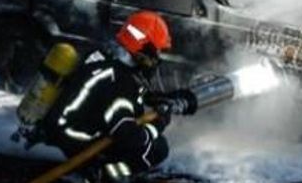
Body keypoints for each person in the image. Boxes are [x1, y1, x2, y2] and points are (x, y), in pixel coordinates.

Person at [41, 10, 196, 182]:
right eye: (156, 53)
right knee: (157, 148)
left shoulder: (105, 58)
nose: (156, 59)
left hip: (65, 123)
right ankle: (104, 173)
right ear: (144, 49)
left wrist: (161, 98)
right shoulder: (121, 82)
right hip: (73, 137)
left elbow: (116, 95)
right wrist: (157, 125)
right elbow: (127, 136)